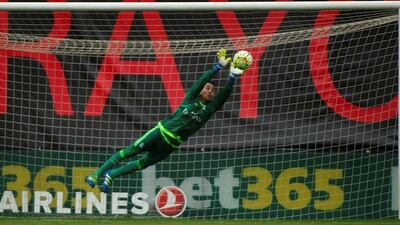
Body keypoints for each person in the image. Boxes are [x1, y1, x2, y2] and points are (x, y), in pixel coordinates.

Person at [86, 48, 247, 193]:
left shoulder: (210, 109)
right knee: (129, 151)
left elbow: (224, 95)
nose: (210, 91)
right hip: (160, 132)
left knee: (142, 164)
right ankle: (96, 174)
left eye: (212, 90)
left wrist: (232, 76)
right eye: (207, 87)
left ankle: (112, 174)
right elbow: (200, 82)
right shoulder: (190, 98)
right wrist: (217, 67)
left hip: (170, 146)